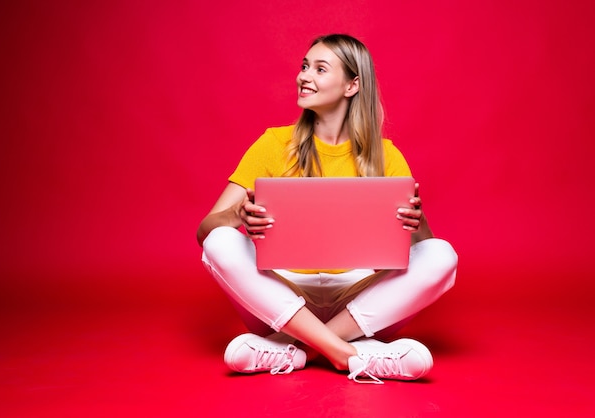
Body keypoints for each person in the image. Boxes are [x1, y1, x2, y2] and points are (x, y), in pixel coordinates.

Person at [196, 34, 457, 384]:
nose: (304, 76)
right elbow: (205, 231)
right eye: (304, 66)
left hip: (358, 298)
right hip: (281, 294)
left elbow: (418, 253)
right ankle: (349, 354)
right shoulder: (274, 143)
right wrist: (238, 215)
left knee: (442, 255)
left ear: (352, 85)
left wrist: (417, 221)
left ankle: (290, 348)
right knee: (220, 243)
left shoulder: (386, 154)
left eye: (320, 69)